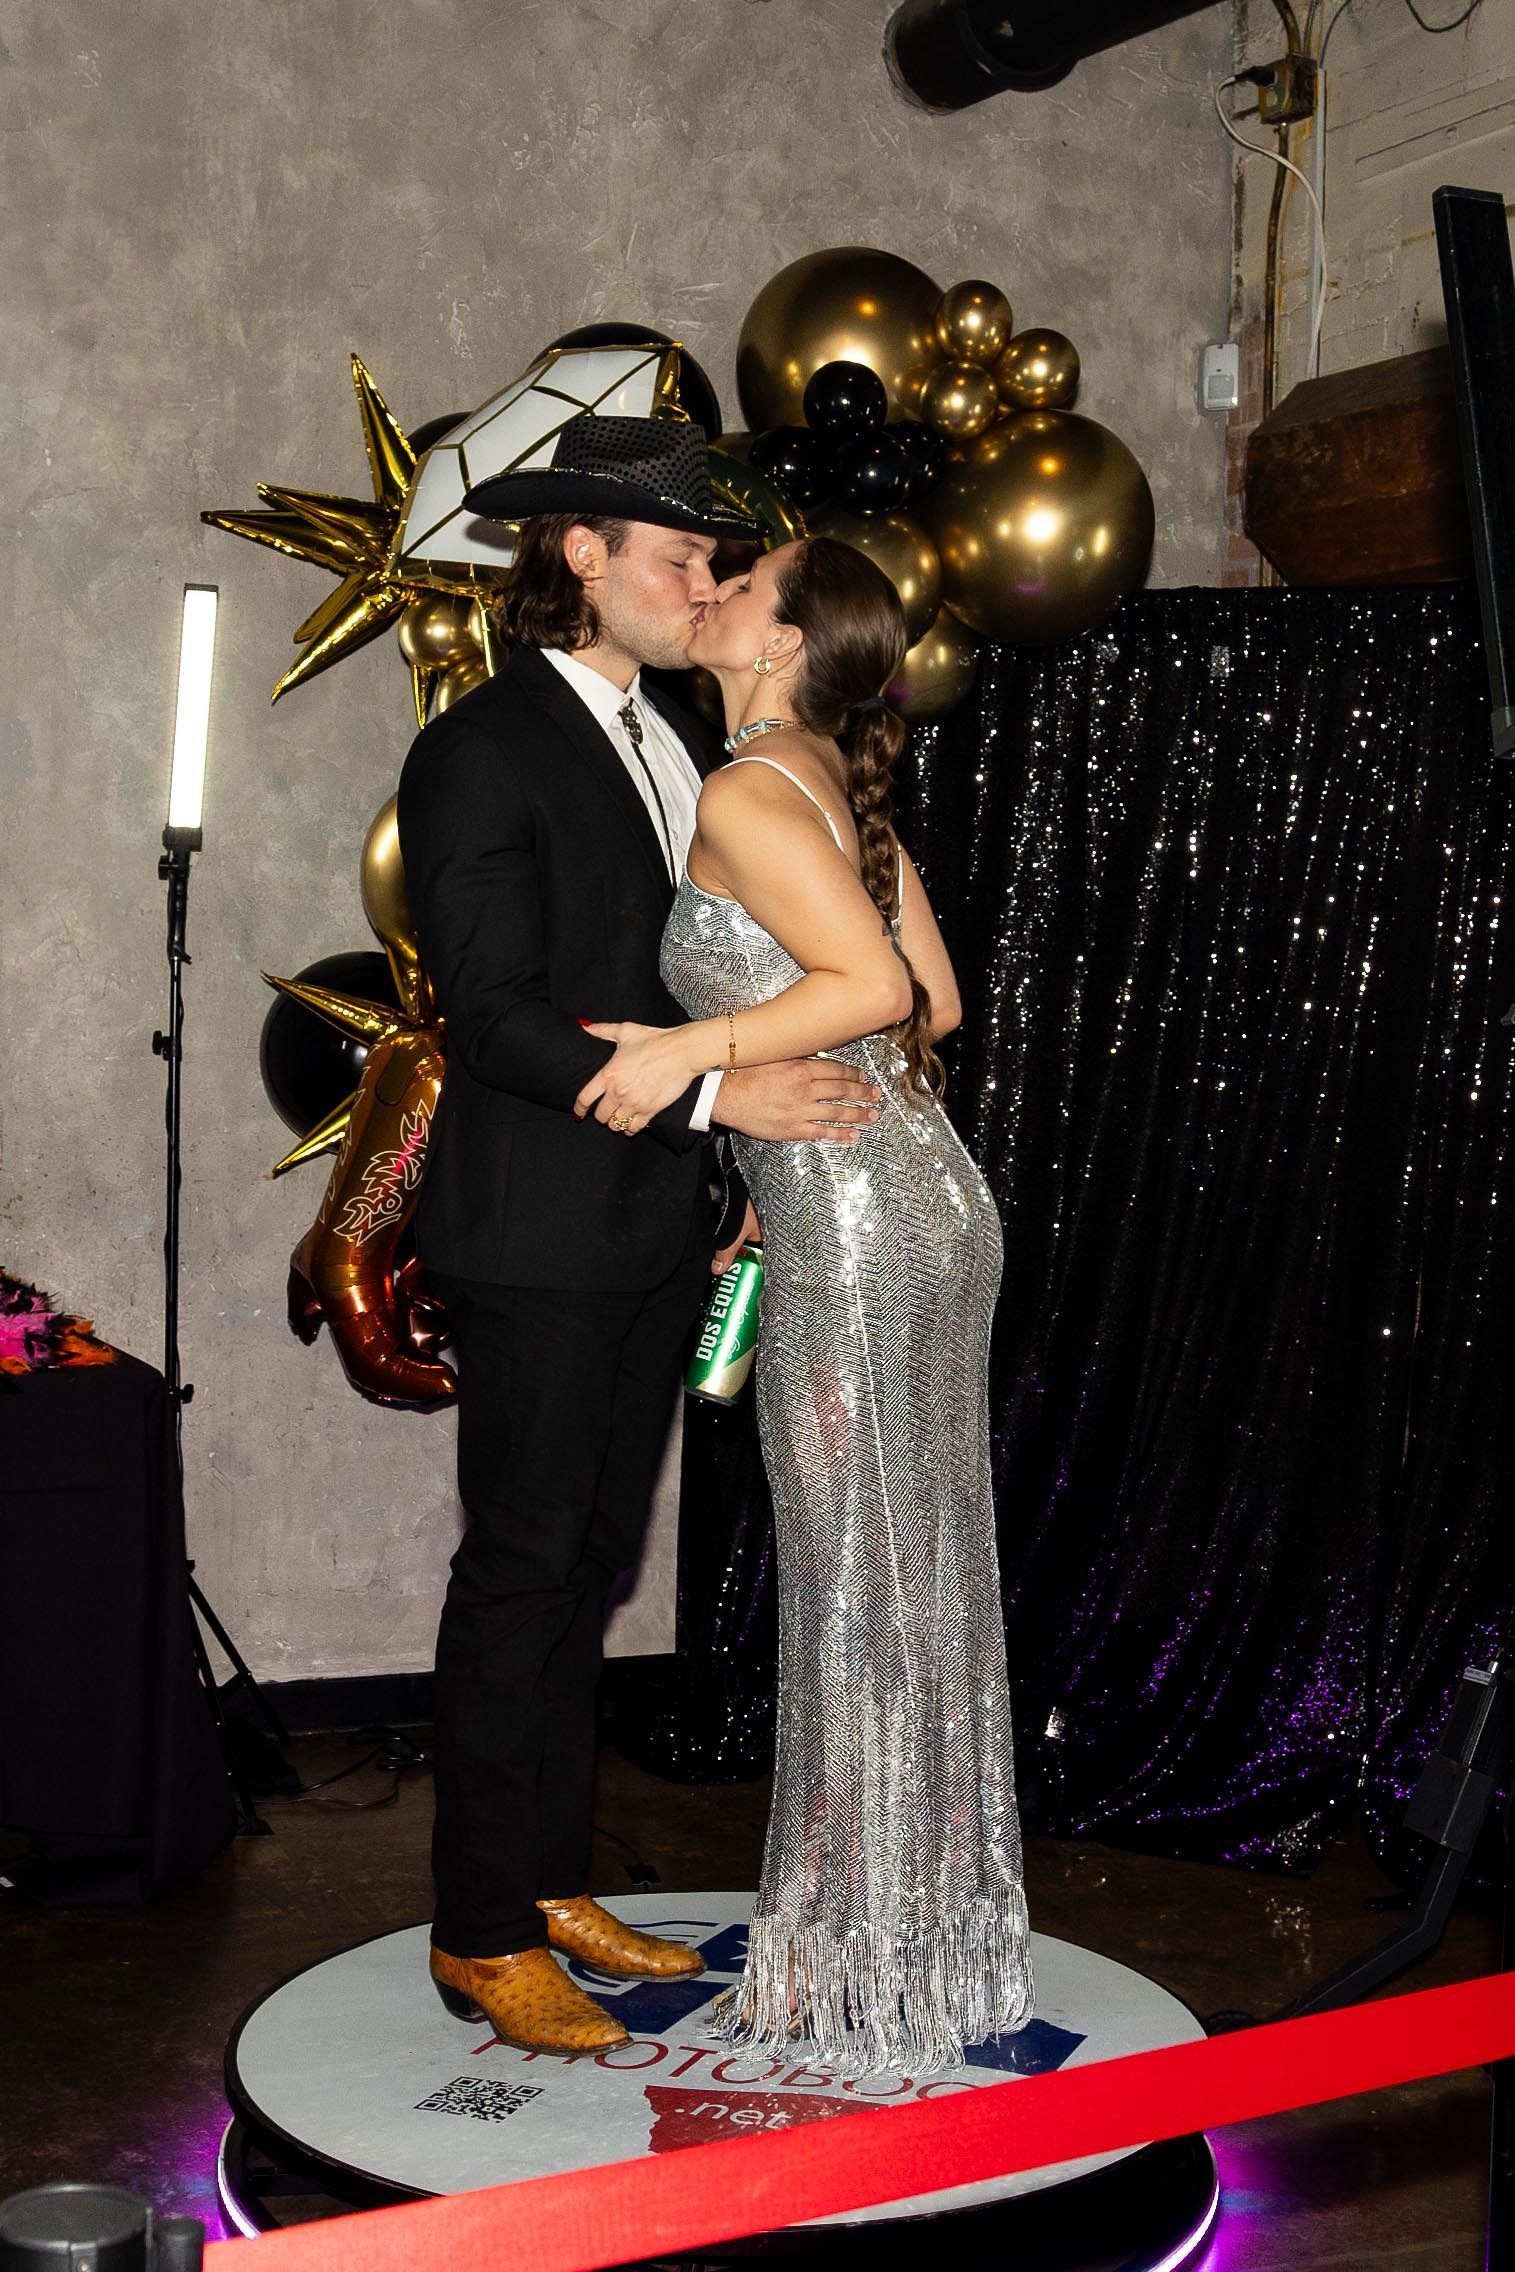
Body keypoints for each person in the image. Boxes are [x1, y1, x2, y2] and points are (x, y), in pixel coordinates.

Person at [396, 419, 885, 2059]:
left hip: (654, 1229)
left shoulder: (684, 735)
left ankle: (546, 1884)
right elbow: (496, 1018)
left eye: (718, 565)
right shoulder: (484, 744)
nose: (705, 586)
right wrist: (713, 1110)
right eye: (678, 556)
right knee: (525, 1573)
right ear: (581, 556)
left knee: (592, 1573)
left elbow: (706, 977)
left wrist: (719, 1157)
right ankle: (477, 1930)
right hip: (537, 1228)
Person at [576, 534, 1033, 2074]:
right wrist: (774, 1199)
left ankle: (844, 1967)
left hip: (863, 1220)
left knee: (855, 1580)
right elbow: (942, 1002)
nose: (706, 589)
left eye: (739, 581)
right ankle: (931, 1950)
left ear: (783, 640)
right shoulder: (826, 780)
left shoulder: (746, 790)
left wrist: (675, 1049)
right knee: (919, 1570)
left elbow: (886, 999)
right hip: (920, 1204)